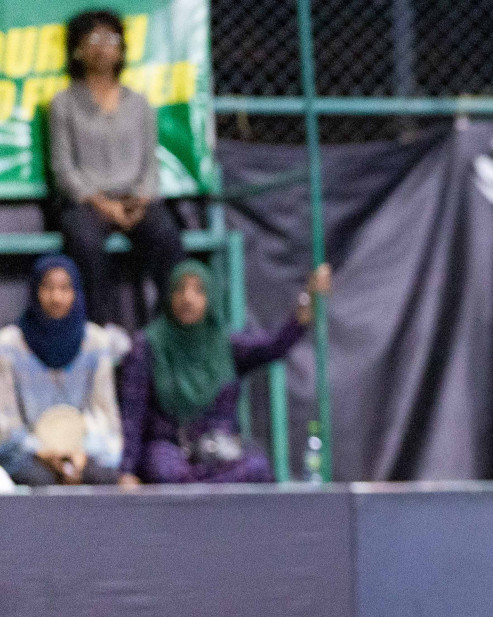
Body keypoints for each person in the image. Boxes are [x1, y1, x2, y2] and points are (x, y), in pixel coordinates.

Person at [117, 261, 331, 484]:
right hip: (171, 450)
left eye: (198, 290)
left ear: (210, 298)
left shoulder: (224, 345)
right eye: (180, 289)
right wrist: (127, 471)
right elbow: (133, 414)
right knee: (164, 470)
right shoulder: (149, 346)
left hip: (218, 451)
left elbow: (275, 347)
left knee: (256, 467)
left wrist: (309, 300)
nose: (188, 298)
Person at [49, 9, 187, 326]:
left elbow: (150, 166)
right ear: (78, 48)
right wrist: (102, 204)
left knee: (166, 234)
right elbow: (63, 169)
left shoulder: (139, 104)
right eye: (94, 39)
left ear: (122, 49)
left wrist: (140, 199)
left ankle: (171, 331)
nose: (103, 46)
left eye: (111, 39)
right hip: (87, 203)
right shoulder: (64, 103)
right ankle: (102, 334)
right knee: (84, 242)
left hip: (135, 201)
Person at [0, 255, 129, 486]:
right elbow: (5, 420)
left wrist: (80, 454)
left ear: (76, 292)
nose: (56, 298)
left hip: (82, 450)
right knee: (39, 480)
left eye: (64, 288)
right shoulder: (9, 344)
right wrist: (43, 452)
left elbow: (105, 414)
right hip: (28, 453)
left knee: (103, 477)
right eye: (47, 287)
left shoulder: (96, 342)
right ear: (34, 291)